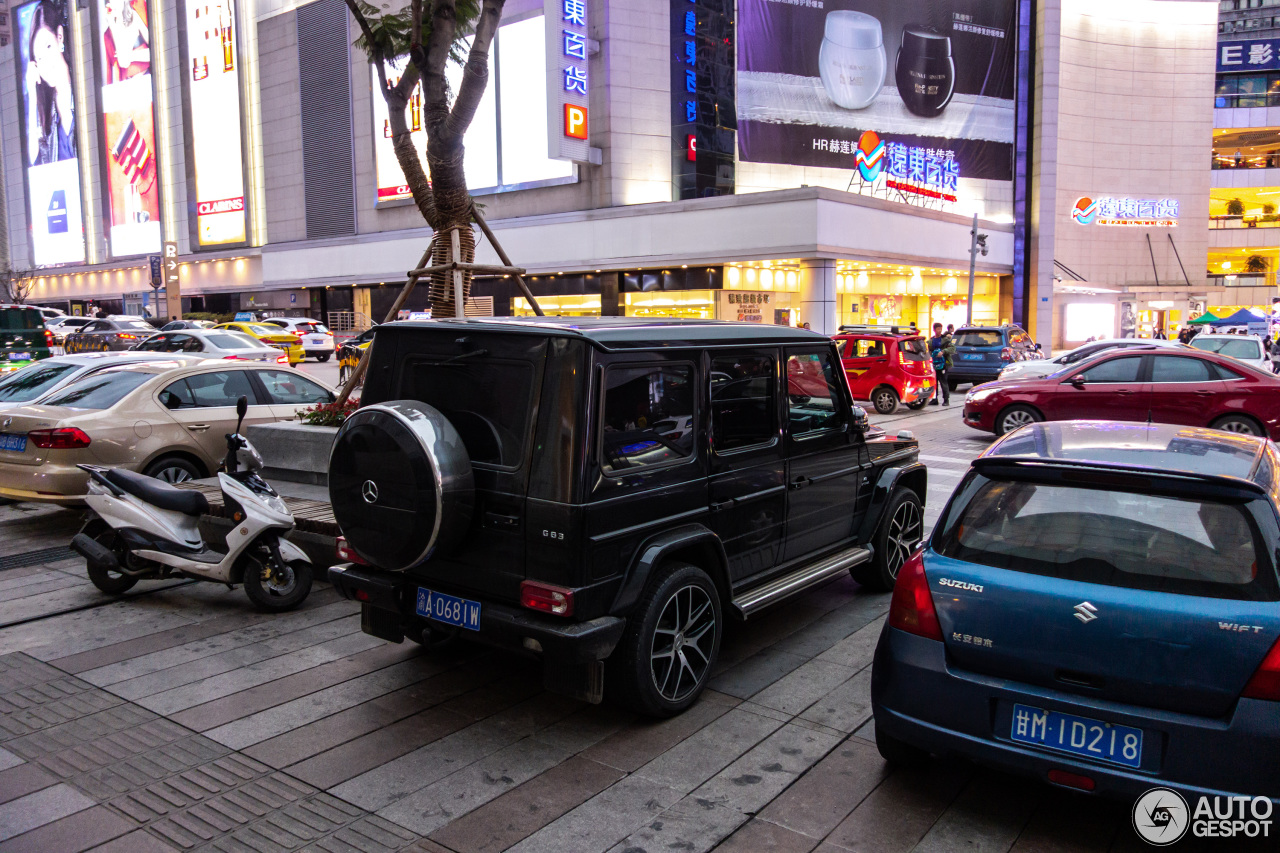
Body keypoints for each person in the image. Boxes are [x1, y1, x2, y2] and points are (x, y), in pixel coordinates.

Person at [24, 0, 76, 166]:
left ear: (59, 37)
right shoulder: (47, 111)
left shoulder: (83, 84)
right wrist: (32, 94)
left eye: (48, 47)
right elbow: (32, 160)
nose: (45, 63)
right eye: (39, 58)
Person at [929, 323, 955, 406]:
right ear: (934, 330)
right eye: (938, 329)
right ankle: (934, 399)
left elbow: (952, 348)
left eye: (940, 329)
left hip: (943, 363)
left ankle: (946, 399)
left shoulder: (945, 339)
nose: (939, 331)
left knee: (943, 381)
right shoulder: (931, 340)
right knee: (934, 382)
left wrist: (943, 352)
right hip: (934, 364)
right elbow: (929, 350)